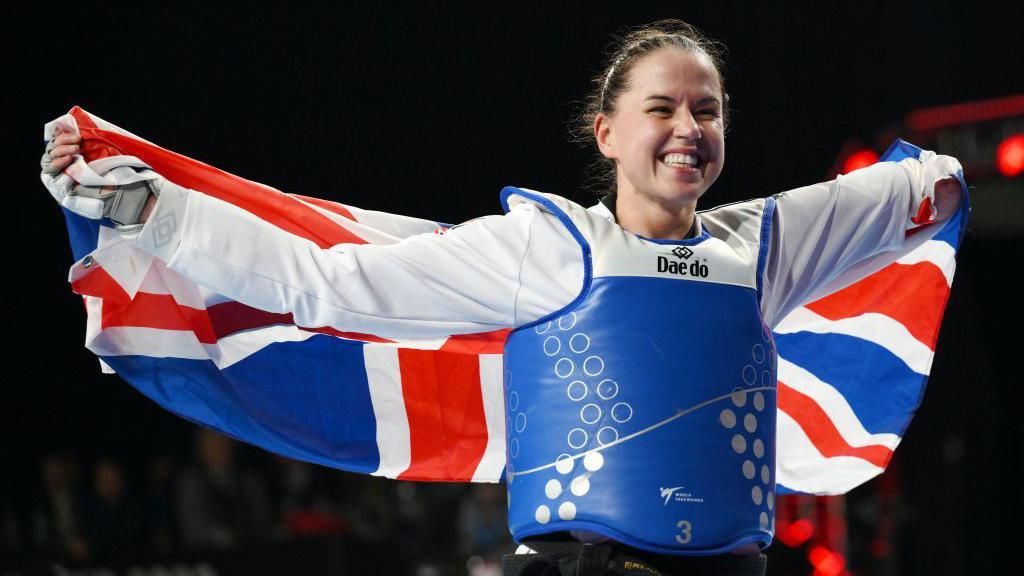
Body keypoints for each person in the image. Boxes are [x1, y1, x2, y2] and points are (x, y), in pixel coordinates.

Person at [42, 19, 963, 576]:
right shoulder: (550, 248)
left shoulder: (763, 245)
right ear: (606, 132)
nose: (690, 127)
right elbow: (329, 283)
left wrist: (951, 181)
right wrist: (148, 208)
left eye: (709, 109)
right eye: (663, 108)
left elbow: (910, 193)